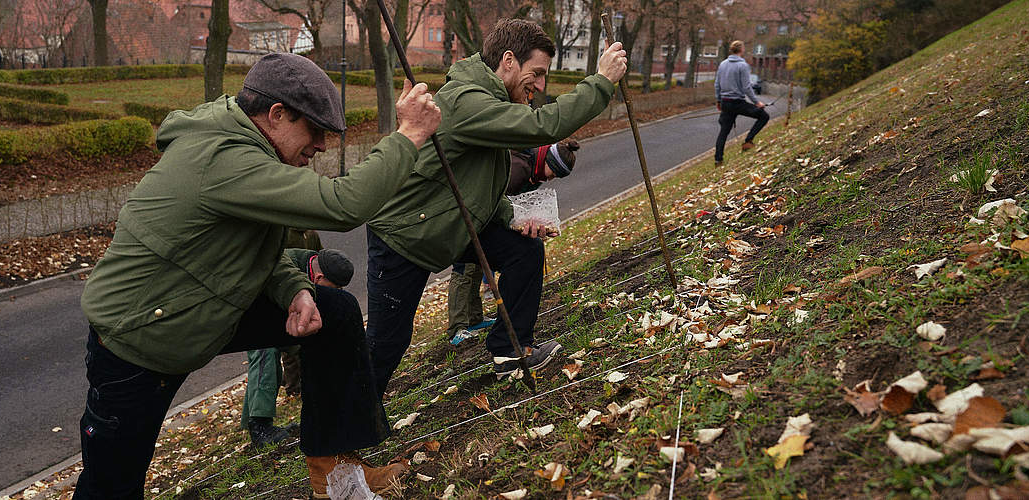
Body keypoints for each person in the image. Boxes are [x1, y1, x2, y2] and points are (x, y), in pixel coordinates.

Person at [72, 53, 441, 499]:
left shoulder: (250, 151)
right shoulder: (226, 159)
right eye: (315, 130)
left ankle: (337, 476)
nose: (322, 145)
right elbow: (343, 205)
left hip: (197, 309)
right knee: (109, 488)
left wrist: (295, 290)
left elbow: (251, 249)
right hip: (139, 341)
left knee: (335, 313)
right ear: (276, 114)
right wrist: (409, 136)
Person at [365, 18, 628, 393]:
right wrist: (601, 81)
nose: (540, 87)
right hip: (405, 235)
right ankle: (344, 423)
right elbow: (542, 125)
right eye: (536, 74)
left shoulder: (489, 99)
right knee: (386, 344)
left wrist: (514, 218)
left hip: (452, 222)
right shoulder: (467, 101)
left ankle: (510, 352)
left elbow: (476, 183)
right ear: (508, 61)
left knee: (524, 250)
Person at [446, 140, 580, 345]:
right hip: (471, 221)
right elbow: (495, 200)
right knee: (464, 272)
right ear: (547, 160)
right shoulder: (519, 169)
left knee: (476, 268)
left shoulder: (533, 171)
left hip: (486, 223)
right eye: (553, 172)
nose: (551, 178)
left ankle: (474, 318)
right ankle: (457, 327)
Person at [242, 248, 354, 447]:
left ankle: (323, 409)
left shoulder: (316, 262)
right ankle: (259, 426)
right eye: (334, 288)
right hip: (254, 306)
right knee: (265, 353)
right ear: (318, 277)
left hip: (284, 312)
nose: (337, 294)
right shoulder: (284, 264)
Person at [714, 40, 770, 166]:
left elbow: (717, 84)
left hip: (725, 103)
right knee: (764, 116)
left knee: (723, 132)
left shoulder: (723, 64)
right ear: (741, 50)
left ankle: (718, 160)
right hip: (738, 102)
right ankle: (748, 141)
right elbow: (746, 87)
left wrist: (718, 100)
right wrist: (757, 102)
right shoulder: (743, 65)